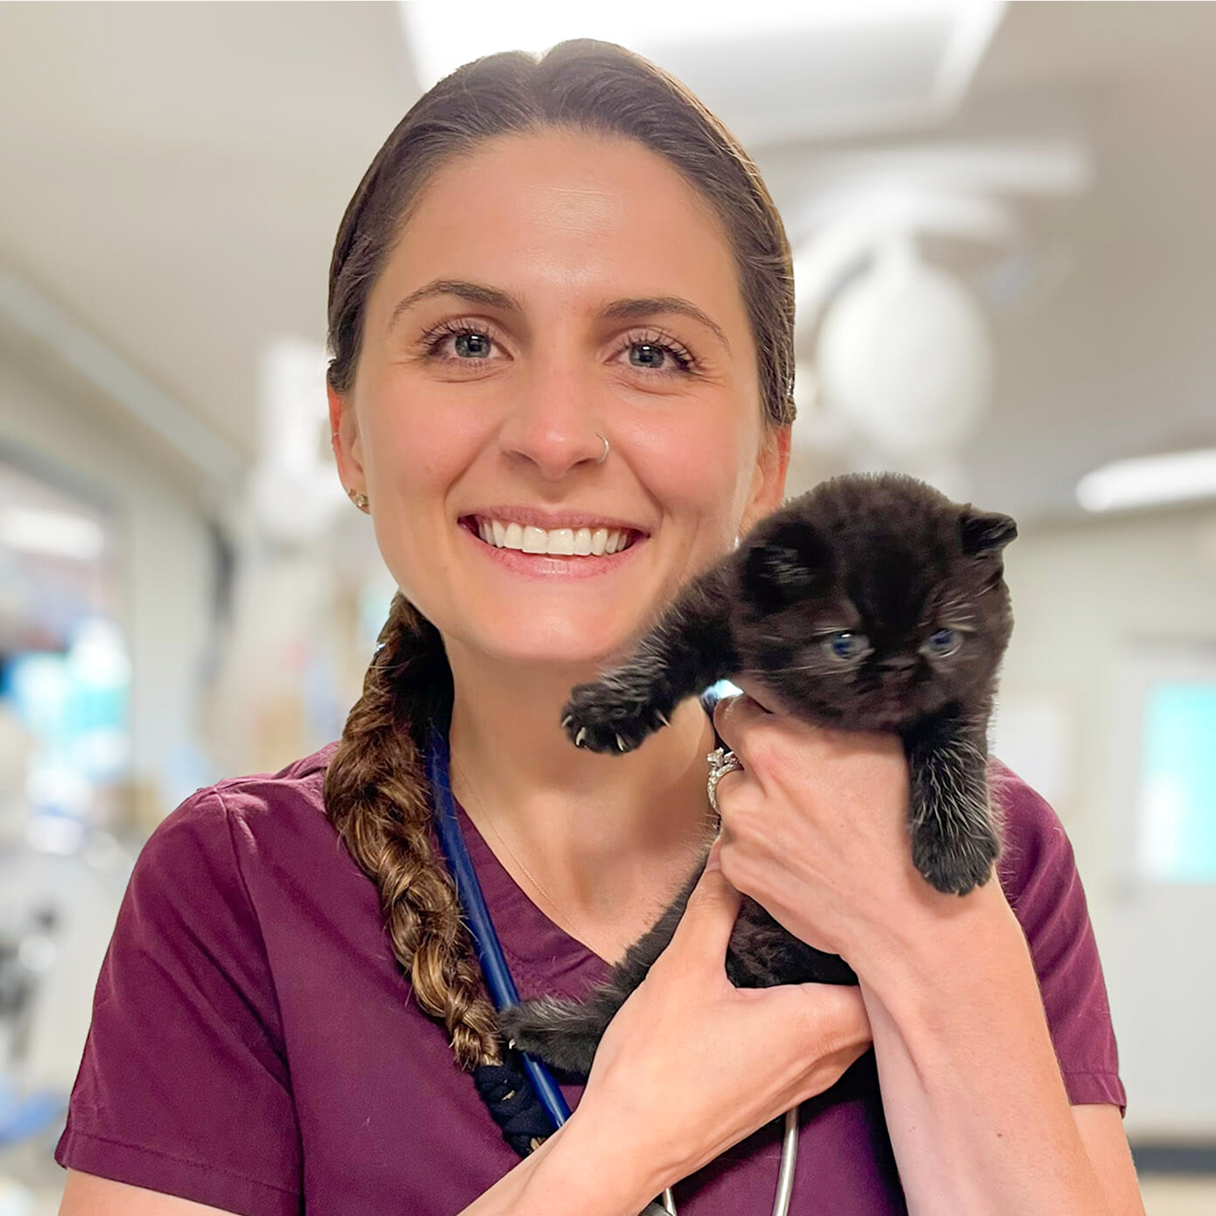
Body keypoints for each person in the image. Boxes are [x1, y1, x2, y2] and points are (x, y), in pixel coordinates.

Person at [56, 39, 1142, 1216]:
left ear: (763, 461)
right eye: (468, 340)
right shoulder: (237, 888)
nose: (557, 434)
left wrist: (929, 945)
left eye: (650, 353)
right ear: (349, 435)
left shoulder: (991, 851)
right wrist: (623, 1140)